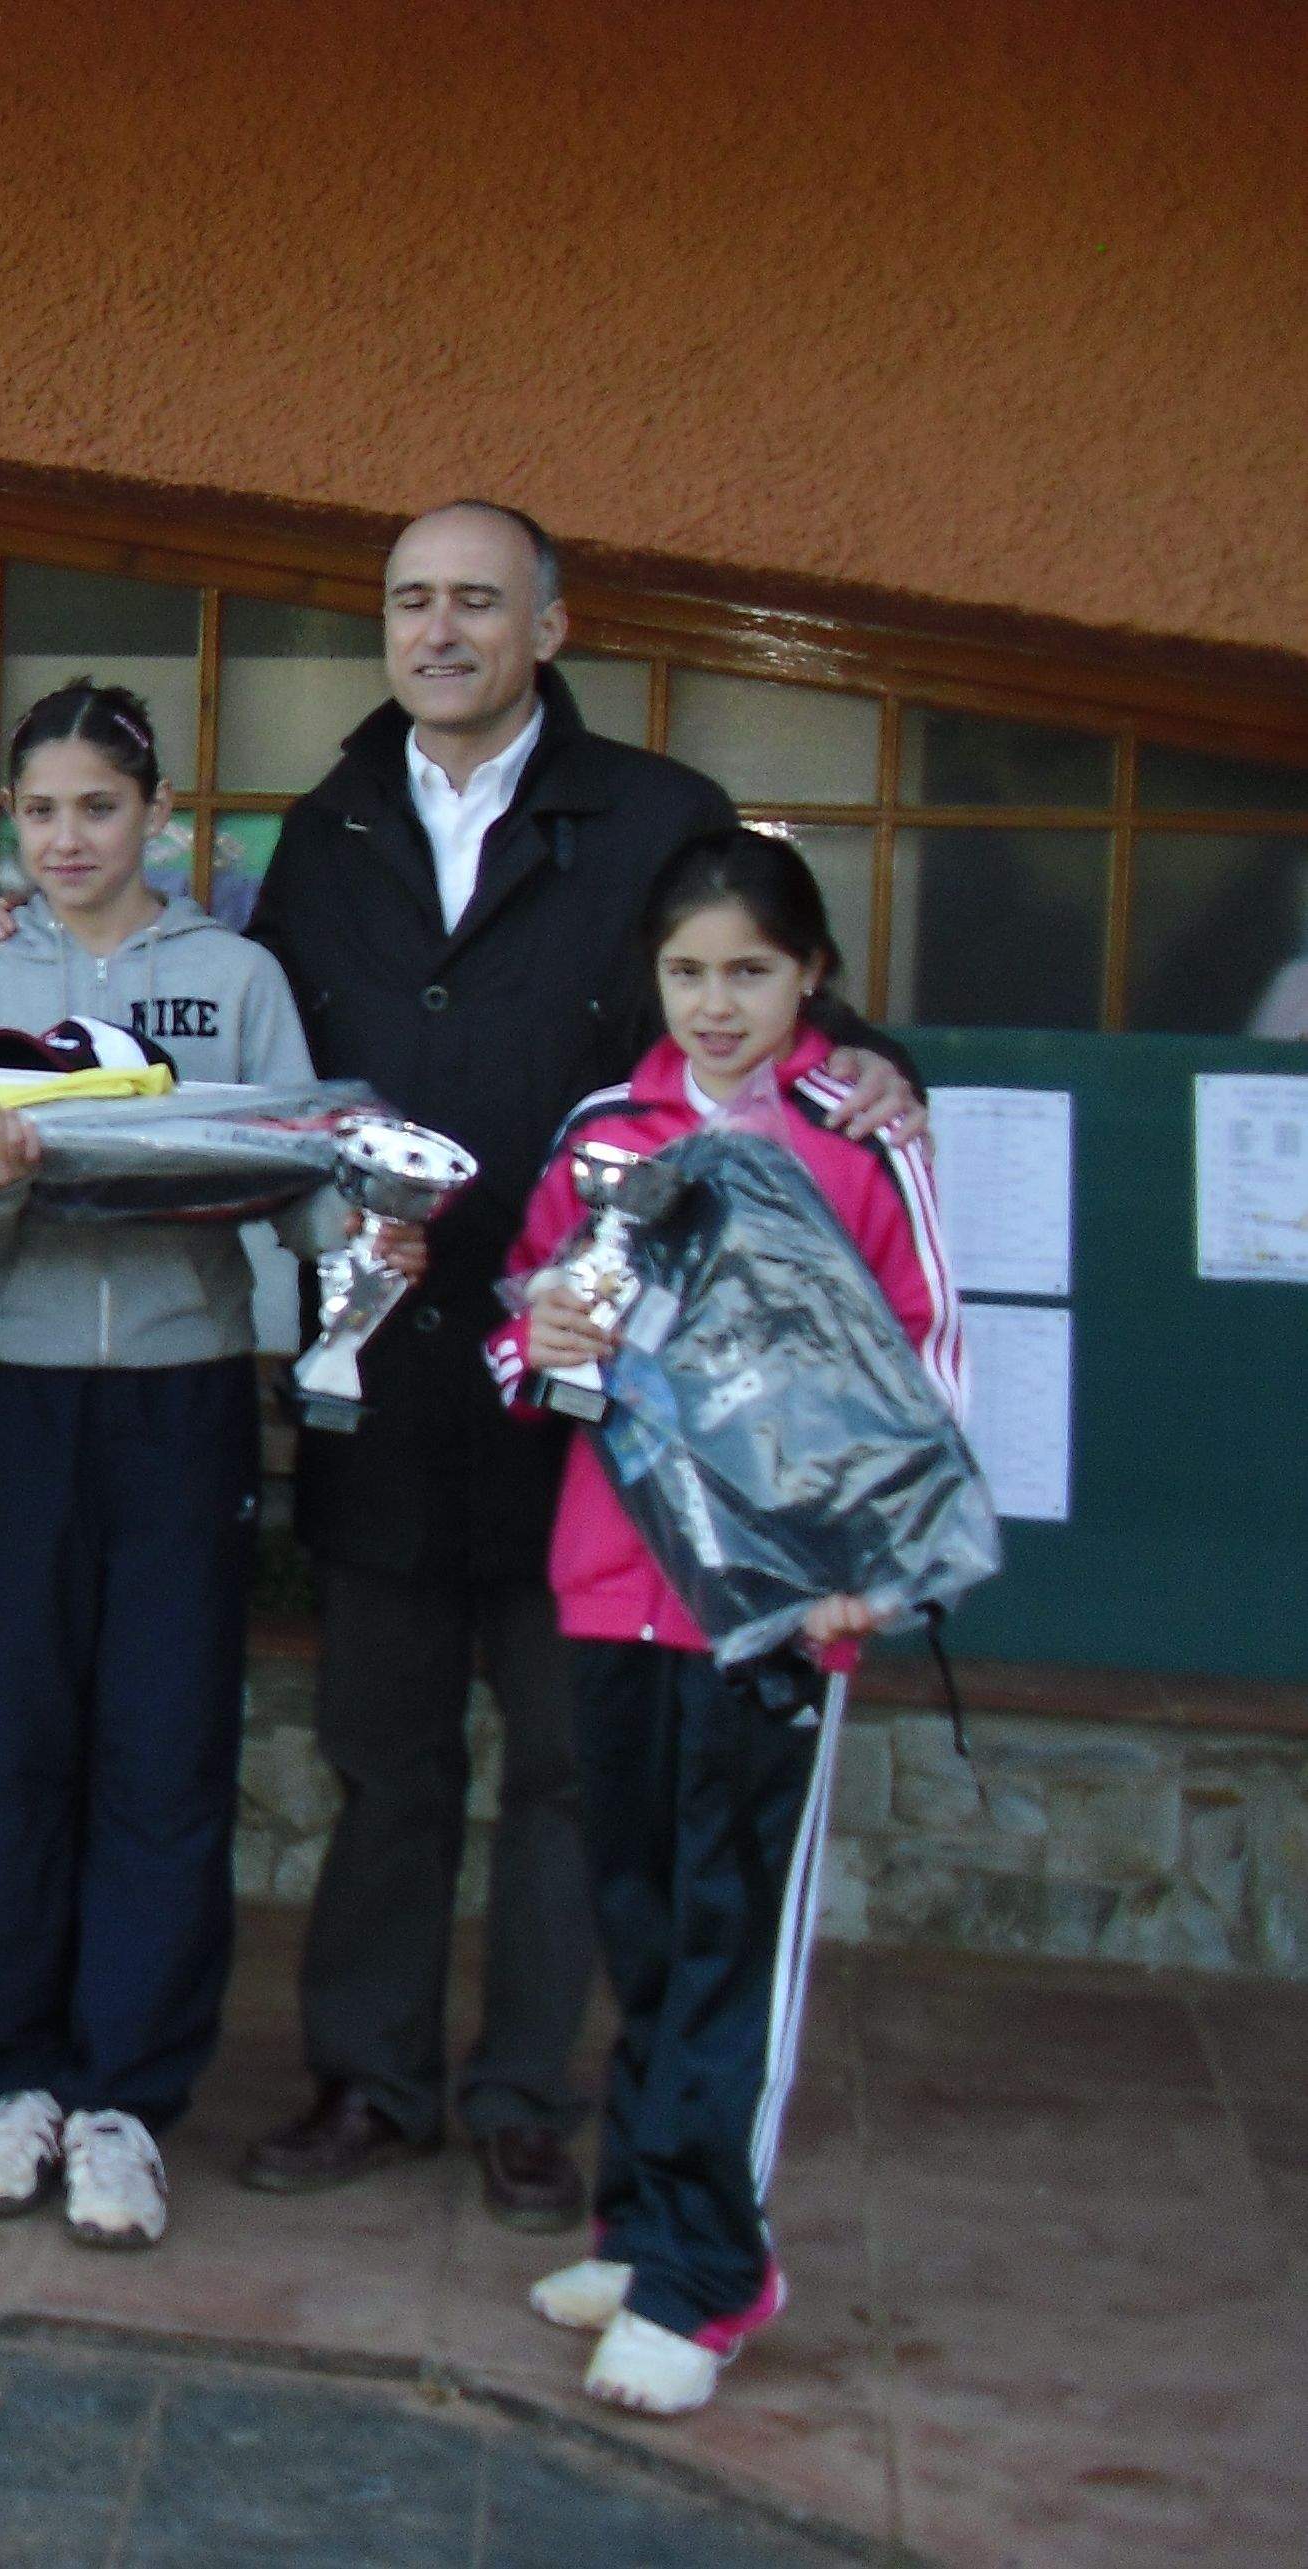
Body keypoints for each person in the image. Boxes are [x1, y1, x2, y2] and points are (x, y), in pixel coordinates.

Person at [205, 501, 917, 2226]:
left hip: (591, 1391)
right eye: (407, 602)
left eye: (474, 601)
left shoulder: (656, 818)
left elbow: (758, 994)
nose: (437, 631)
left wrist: (873, 1062)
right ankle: (369, 2075)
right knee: (382, 1756)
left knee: (563, 1766)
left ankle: (526, 2092)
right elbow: (259, 1037)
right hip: (382, 1376)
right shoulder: (330, 821)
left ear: (548, 623)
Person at [0, 682, 417, 2245]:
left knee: (161, 1748)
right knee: (15, 1743)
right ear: (10, 822)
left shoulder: (239, 977)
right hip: (9, 1397)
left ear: (160, 818)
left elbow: (300, 1186)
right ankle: (17, 2078)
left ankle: (128, 2097)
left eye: (99, 808)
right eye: (40, 811)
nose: (67, 840)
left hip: (187, 1399)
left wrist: (372, 1233)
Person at [486, 828, 960, 2415]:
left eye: (749, 970)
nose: (714, 1003)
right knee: (637, 1913)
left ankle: (710, 2272)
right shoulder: (604, 1129)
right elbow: (525, 1337)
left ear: (809, 973)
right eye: (687, 971)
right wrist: (541, 1330)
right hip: (612, 1586)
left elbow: (926, 1354)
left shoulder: (862, 1136)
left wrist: (868, 1565)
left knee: (728, 1947)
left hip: (775, 1615)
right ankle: (644, 2225)